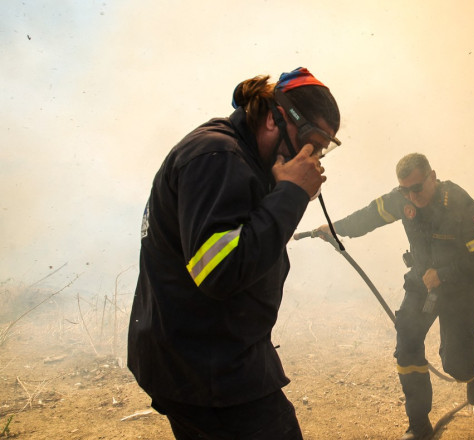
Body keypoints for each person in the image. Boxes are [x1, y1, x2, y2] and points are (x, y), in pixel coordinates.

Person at [127, 67, 341, 439]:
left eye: (322, 149)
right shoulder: (217, 155)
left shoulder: (242, 159)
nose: (314, 157)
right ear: (276, 119)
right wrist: (290, 194)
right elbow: (219, 270)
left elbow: (245, 244)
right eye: (312, 141)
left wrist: (279, 192)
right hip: (208, 370)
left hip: (213, 357)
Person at [317, 153, 474, 440]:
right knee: (407, 342)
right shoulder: (401, 198)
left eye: (417, 188)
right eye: (405, 190)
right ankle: (419, 426)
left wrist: (445, 274)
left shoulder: (460, 202)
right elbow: (367, 216)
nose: (412, 197)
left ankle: (473, 370)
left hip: (459, 287)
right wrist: (334, 228)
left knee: (456, 365)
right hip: (422, 284)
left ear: (433, 177)